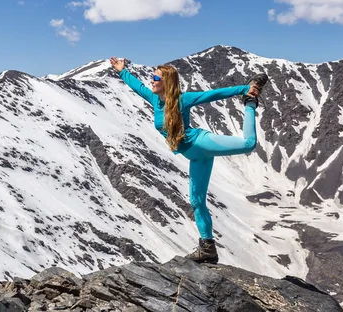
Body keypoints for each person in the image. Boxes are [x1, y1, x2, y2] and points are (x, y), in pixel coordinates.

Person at [109, 56, 269, 264]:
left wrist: (243, 90)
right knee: (196, 201)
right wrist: (122, 70)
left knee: (248, 144)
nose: (151, 80)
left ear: (165, 81)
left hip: (201, 144)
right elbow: (137, 86)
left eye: (155, 77)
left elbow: (212, 95)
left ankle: (250, 103)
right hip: (194, 157)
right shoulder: (155, 100)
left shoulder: (183, 100)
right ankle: (207, 249)